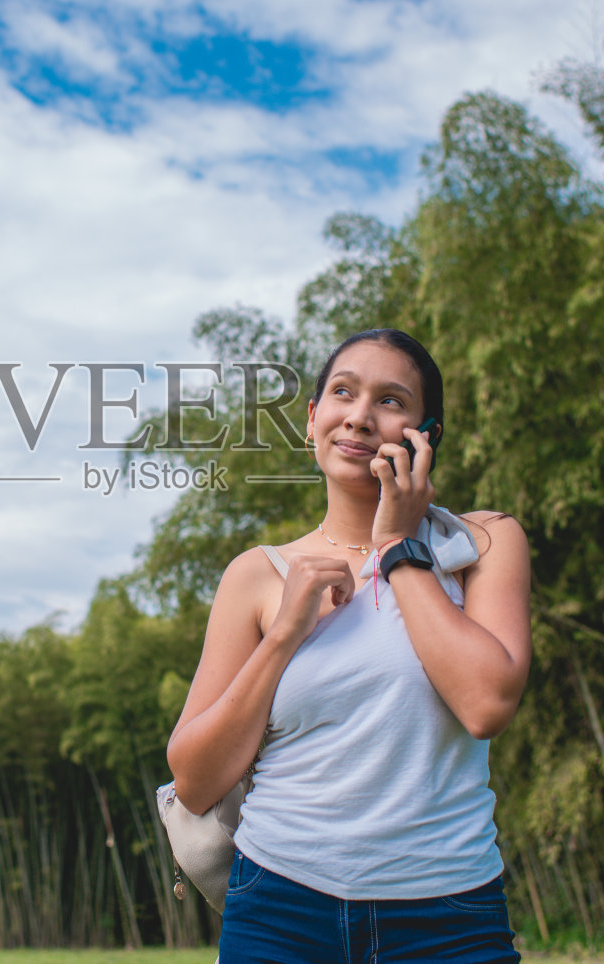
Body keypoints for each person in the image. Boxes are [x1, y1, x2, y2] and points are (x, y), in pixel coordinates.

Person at [166, 328, 532, 963]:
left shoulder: (482, 544)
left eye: (391, 401)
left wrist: (398, 548)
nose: (360, 416)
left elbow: (486, 704)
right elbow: (194, 781)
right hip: (280, 907)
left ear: (427, 437)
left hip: (449, 913)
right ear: (313, 420)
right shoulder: (258, 576)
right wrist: (281, 638)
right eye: (343, 393)